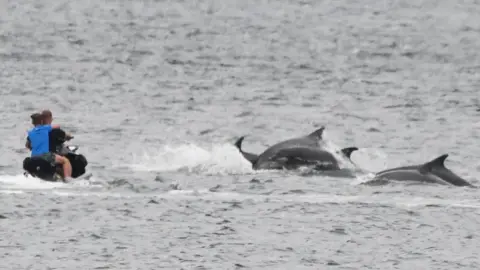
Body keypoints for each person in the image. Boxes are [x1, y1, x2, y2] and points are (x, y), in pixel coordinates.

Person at [26, 113, 72, 181]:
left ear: (33, 122)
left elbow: (27, 145)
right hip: (45, 155)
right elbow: (57, 126)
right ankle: (68, 179)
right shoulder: (45, 128)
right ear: (41, 121)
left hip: (33, 156)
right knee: (65, 161)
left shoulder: (31, 132)